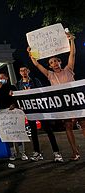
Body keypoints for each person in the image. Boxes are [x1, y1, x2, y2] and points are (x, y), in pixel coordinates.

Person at [28, 32, 80, 160]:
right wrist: (31, 54)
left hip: (75, 101)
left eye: (56, 61)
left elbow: (72, 54)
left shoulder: (69, 69)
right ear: (50, 66)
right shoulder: (50, 75)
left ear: (60, 62)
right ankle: (75, 152)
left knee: (83, 124)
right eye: (52, 62)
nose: (55, 63)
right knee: (68, 126)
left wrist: (71, 41)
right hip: (63, 103)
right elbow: (36, 64)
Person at [16, 65, 63, 162]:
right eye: (21, 70)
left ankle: (56, 153)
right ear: (20, 73)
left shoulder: (35, 81)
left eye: (25, 70)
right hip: (29, 110)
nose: (23, 72)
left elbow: (42, 92)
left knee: (48, 130)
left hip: (39, 108)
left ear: (28, 71)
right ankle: (37, 152)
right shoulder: (19, 84)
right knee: (33, 132)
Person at [0, 72, 28, 163]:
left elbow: (16, 98)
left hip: (13, 112)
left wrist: (14, 104)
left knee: (17, 133)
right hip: (4, 113)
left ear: (7, 78)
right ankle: (13, 153)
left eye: (2, 77)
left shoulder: (12, 87)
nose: (1, 79)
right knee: (8, 134)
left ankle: (22, 152)